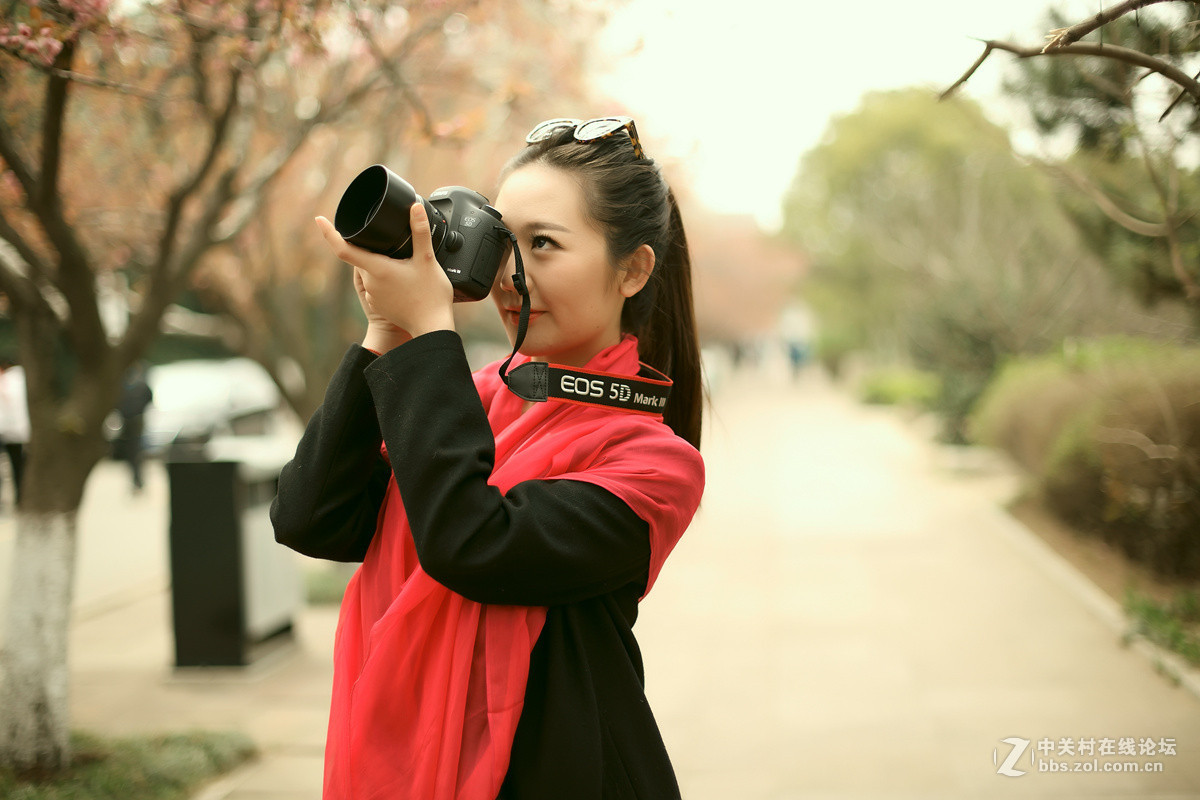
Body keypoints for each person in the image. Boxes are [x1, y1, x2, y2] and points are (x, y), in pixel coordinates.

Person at [272, 116, 705, 799]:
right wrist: (386, 333)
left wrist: (429, 338)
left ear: (632, 270)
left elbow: (473, 542)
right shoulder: (462, 403)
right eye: (504, 242)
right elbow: (311, 518)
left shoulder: (655, 463)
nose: (510, 275)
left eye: (543, 245)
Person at [116, 362, 153, 493]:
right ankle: (135, 479)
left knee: (136, 451)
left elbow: (149, 399)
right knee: (131, 451)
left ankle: (138, 479)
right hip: (127, 421)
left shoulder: (139, 386)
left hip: (136, 420)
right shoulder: (124, 386)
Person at [0, 358, 28, 509]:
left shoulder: (7, 380)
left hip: (6, 429)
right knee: (18, 467)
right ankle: (20, 499)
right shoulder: (23, 380)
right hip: (19, 432)